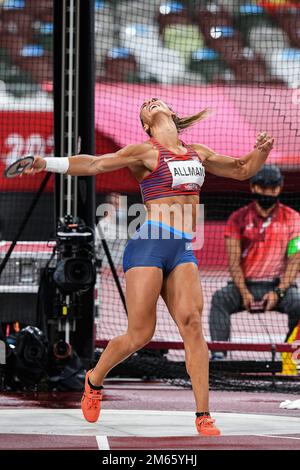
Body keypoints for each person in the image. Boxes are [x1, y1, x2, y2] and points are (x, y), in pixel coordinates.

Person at [25, 98, 274, 436]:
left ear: (171, 113)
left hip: (182, 248)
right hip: (150, 244)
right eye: (145, 106)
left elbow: (243, 170)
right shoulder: (145, 151)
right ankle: (94, 378)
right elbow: (96, 163)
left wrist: (261, 151)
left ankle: (203, 414)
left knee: (192, 325)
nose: (151, 103)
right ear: (146, 124)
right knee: (141, 334)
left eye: (156, 101)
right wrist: (45, 163)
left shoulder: (198, 152)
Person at [209, 165, 300, 359]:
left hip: (278, 286)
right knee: (220, 299)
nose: (267, 192)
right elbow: (233, 262)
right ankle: (219, 355)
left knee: (299, 304)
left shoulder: (293, 219)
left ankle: (292, 355)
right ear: (253, 187)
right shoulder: (237, 218)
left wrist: (279, 291)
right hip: (245, 285)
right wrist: (243, 292)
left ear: (280, 188)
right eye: (262, 187)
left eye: (273, 187)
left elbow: (295, 261)